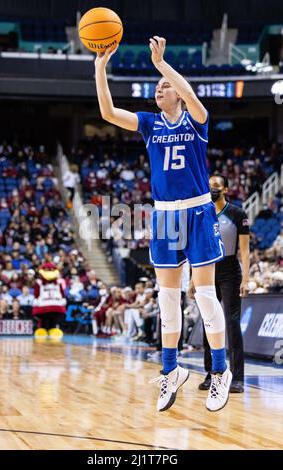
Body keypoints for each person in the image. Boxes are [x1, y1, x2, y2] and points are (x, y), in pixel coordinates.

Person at [95, 36, 231, 412]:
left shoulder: (197, 120)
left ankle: (220, 370)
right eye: (157, 85)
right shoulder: (150, 124)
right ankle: (171, 371)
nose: (160, 88)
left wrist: (162, 65)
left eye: (165, 85)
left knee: (204, 295)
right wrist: (99, 68)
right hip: (165, 215)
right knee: (167, 298)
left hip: (199, 211)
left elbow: (188, 92)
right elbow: (107, 113)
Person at [197, 173, 250, 393]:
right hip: (207, 268)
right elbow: (197, 248)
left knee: (231, 323)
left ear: (226, 190)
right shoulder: (202, 213)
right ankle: (211, 373)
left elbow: (245, 250)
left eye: (216, 186)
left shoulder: (238, 213)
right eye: (209, 186)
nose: (212, 189)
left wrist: (246, 278)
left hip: (230, 271)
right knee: (209, 322)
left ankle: (237, 378)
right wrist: (193, 278)